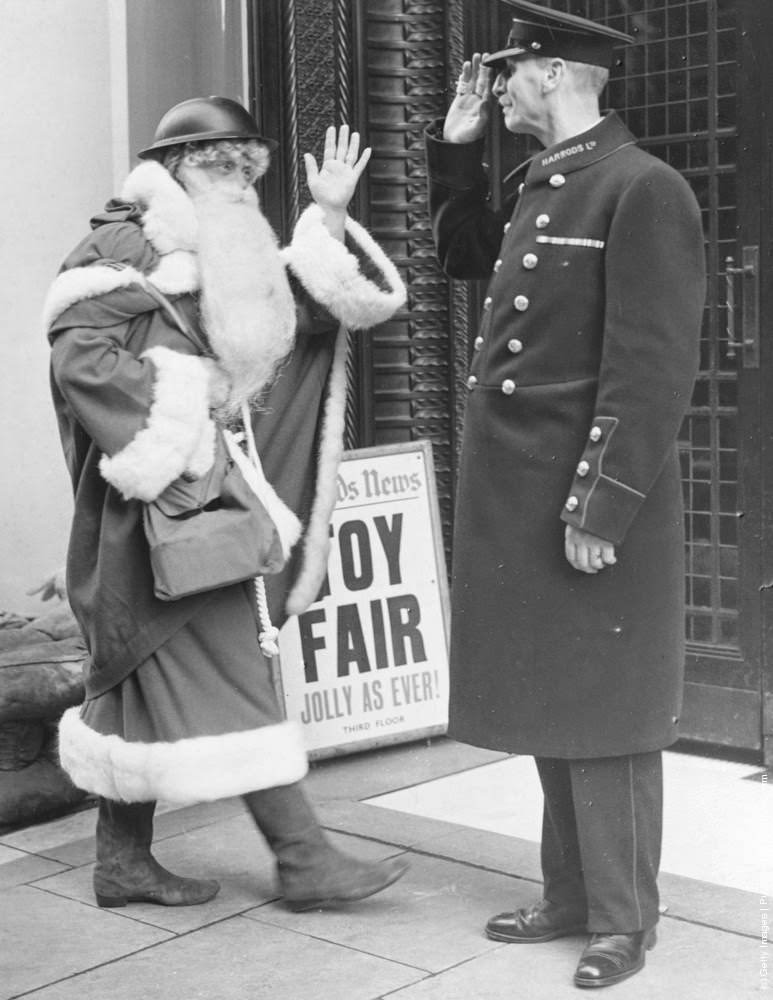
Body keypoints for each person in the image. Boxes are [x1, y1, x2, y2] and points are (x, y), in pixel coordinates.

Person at [45, 96, 408, 912]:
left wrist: (328, 214)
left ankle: (121, 860)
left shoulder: (219, 243)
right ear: (176, 168)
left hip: (195, 505)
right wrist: (186, 414)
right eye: (219, 165)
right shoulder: (124, 244)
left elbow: (308, 316)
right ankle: (303, 859)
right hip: (154, 508)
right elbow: (81, 366)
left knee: (136, 669)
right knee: (230, 667)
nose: (238, 181)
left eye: (247, 167)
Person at [425, 1, 705, 989]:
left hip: (587, 493)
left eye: (504, 74)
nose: (494, 90)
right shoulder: (542, 183)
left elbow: (649, 366)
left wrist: (603, 505)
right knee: (554, 696)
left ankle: (624, 920)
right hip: (520, 490)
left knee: (608, 709)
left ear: (548, 74)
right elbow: (463, 255)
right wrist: (456, 153)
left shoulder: (642, 188)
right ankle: (572, 894)